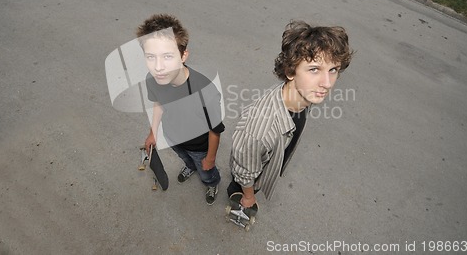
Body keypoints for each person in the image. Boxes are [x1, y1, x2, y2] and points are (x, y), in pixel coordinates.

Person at [227, 20, 354, 208]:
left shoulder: (302, 97)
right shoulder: (257, 131)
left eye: (333, 70)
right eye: (314, 69)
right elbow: (244, 171)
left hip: (266, 157)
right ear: (290, 71)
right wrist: (248, 196)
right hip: (250, 174)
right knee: (244, 184)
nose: (327, 83)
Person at [136, 14, 224, 205]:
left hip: (200, 147)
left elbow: (215, 130)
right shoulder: (152, 80)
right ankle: (190, 166)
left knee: (206, 171)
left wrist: (210, 158)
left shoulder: (205, 91)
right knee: (186, 159)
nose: (158, 67)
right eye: (151, 57)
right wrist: (153, 133)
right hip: (173, 138)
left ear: (183, 55)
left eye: (168, 56)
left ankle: (212, 182)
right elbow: (158, 104)